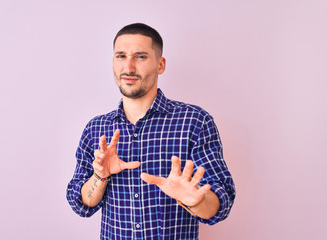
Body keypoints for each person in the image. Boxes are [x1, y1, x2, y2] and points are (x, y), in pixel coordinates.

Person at [66, 23, 235, 240]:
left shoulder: (195, 122)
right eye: (120, 56)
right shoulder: (96, 129)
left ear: (160, 64)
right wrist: (100, 177)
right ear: (113, 63)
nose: (128, 67)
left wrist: (196, 200)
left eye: (141, 56)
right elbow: (80, 203)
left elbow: (222, 203)